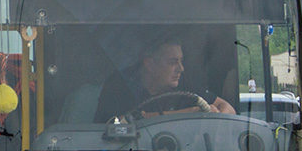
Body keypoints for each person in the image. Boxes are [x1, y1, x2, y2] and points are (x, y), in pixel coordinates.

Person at [94, 36, 236, 122]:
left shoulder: (183, 81)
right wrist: (191, 113)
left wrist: (215, 118)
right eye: (173, 62)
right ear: (149, 64)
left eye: (181, 60)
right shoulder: (121, 83)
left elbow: (228, 108)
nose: (181, 68)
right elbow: (123, 122)